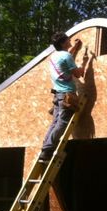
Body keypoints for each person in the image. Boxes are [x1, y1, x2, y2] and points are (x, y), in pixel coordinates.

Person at [40, 32, 86, 160]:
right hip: (67, 94)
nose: (70, 40)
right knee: (63, 122)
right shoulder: (66, 56)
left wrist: (75, 47)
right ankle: (47, 150)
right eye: (67, 39)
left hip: (57, 94)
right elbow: (77, 74)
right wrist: (84, 65)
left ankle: (45, 147)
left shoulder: (55, 56)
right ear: (62, 43)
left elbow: (66, 57)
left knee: (55, 122)